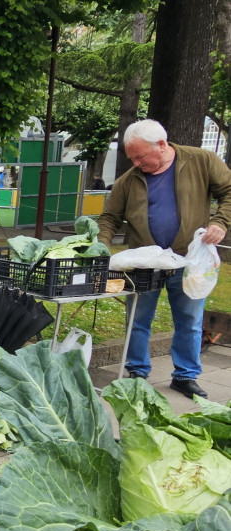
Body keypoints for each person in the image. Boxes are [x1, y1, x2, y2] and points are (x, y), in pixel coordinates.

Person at [97, 119, 231, 399]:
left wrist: (221, 222)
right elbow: (109, 218)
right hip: (144, 265)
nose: (135, 162)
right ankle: (136, 372)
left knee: (190, 320)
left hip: (189, 261)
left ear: (161, 145)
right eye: (131, 156)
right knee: (137, 319)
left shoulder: (201, 160)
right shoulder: (128, 180)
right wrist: (101, 246)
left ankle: (185, 376)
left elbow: (228, 192)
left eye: (140, 155)